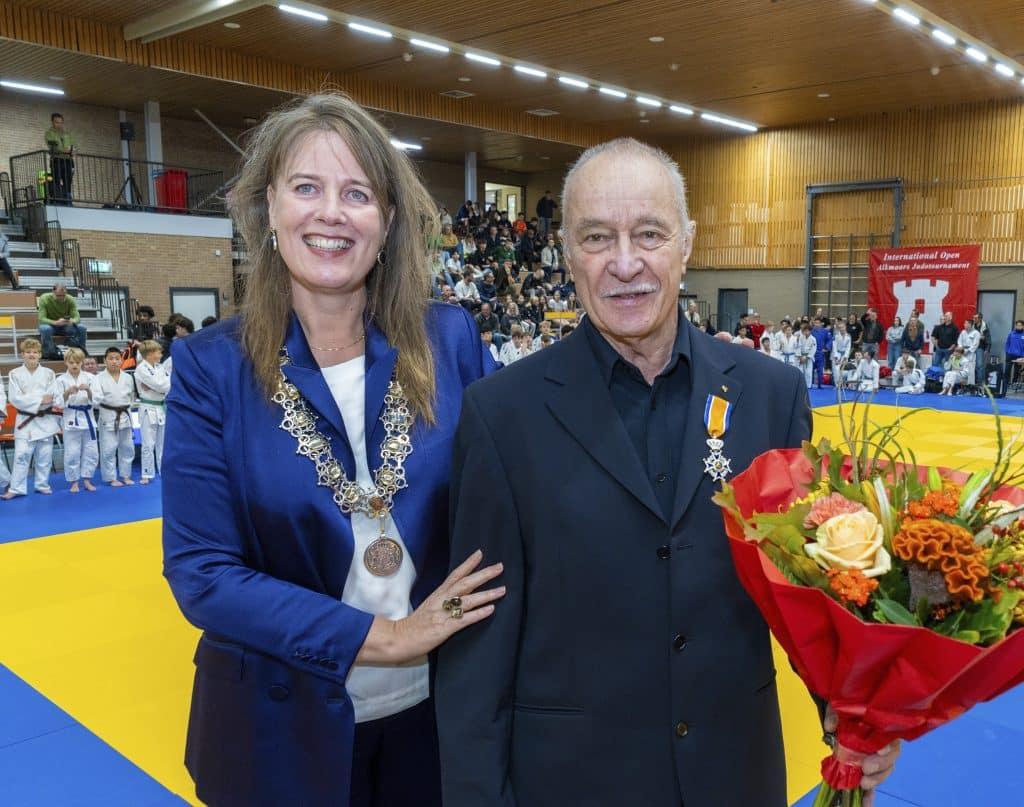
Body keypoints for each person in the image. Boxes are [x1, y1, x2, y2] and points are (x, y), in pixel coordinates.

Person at [436, 138, 898, 807]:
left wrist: (857, 713)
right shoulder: (501, 414)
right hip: (572, 782)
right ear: (568, 253)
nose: (626, 263)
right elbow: (477, 655)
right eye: (598, 237)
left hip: (735, 773)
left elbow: (810, 593)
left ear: (686, 243)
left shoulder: (770, 396)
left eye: (648, 233)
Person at [160, 93, 505, 807]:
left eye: (357, 193)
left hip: (437, 721)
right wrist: (385, 637)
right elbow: (201, 573)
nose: (331, 213)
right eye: (306, 188)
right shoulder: (211, 367)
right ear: (267, 211)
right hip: (275, 728)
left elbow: (516, 494)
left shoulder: (450, 340)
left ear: (386, 221)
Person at [2, 338, 59, 499]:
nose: (31, 355)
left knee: (45, 456)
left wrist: (33, 398)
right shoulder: (14, 374)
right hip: (25, 421)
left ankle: (42, 484)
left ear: (40, 355)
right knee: (21, 455)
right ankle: (16, 488)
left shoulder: (49, 373)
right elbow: (14, 398)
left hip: (45, 419)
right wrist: (40, 399)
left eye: (35, 352)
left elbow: (51, 396)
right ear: (22, 355)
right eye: (28, 352)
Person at [55, 347, 99, 493]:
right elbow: (58, 403)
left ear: (82, 362)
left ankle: (87, 480)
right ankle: (74, 482)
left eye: (78, 362)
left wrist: (88, 390)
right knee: (72, 452)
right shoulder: (60, 379)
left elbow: (99, 401)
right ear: (66, 363)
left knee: (91, 451)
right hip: (70, 418)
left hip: (88, 418)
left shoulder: (91, 378)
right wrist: (67, 392)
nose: (74, 365)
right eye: (71, 362)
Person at [95, 346, 136, 486]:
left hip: (125, 414)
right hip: (108, 415)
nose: (114, 361)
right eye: (111, 359)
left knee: (128, 448)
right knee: (108, 449)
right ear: (105, 360)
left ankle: (126, 475)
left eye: (117, 358)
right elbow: (96, 400)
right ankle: (111, 477)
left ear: (121, 360)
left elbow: (131, 397)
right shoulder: (98, 378)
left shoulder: (128, 377)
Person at [134, 340, 171, 485]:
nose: (161, 354)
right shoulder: (141, 369)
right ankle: (147, 473)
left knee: (162, 444)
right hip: (148, 408)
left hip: (161, 407)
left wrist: (159, 385)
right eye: (158, 352)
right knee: (148, 444)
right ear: (149, 354)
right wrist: (159, 385)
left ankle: (163, 471)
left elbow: (164, 385)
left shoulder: (159, 367)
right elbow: (161, 385)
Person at [37, 283, 88, 359]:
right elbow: (42, 318)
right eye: (58, 296)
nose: (61, 298)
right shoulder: (44, 298)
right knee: (45, 329)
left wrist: (72, 321)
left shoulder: (70, 299)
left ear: (66, 293)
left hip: (65, 325)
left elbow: (77, 317)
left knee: (82, 328)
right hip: (50, 325)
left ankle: (80, 352)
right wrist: (55, 322)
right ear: (53, 292)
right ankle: (48, 353)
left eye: (63, 295)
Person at [44, 112, 76, 205]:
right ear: (52, 122)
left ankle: (68, 201)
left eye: (61, 122)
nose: (59, 124)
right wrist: (66, 150)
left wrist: (73, 150)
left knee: (68, 181)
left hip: (68, 160)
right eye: (57, 122)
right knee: (57, 181)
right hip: (56, 160)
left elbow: (74, 146)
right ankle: (58, 201)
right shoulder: (49, 134)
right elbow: (54, 147)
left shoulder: (67, 134)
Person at [1004, 320, 1024, 395]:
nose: (1018, 326)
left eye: (1020, 325)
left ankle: (1014, 383)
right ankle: (1006, 384)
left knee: (1017, 371)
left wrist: (1022, 356)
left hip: (1019, 356)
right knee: (1007, 370)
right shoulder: (1011, 334)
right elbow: (1007, 343)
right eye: (1017, 325)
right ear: (1015, 326)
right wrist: (1007, 352)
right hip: (1010, 355)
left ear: (1023, 326)